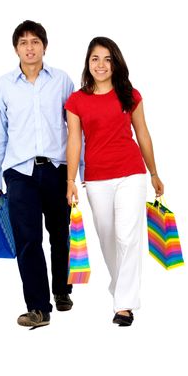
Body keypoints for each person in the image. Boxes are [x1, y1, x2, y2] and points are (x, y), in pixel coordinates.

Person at [65, 36, 164, 327]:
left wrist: (154, 172)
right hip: (96, 178)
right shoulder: (76, 101)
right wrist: (70, 179)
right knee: (107, 237)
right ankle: (122, 287)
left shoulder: (129, 95)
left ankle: (123, 305)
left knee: (127, 236)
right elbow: (74, 140)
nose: (101, 64)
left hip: (131, 173)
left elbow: (143, 134)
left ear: (115, 62)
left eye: (107, 59)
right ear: (88, 63)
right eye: (95, 59)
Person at [0, 20, 76, 328]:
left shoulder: (62, 81)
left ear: (44, 46)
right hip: (19, 172)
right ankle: (38, 307)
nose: (29, 47)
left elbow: (76, 131)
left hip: (57, 168)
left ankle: (62, 289)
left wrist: (79, 173)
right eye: (23, 42)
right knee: (27, 239)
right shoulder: (4, 85)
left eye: (35, 41)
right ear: (15, 49)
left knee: (60, 234)